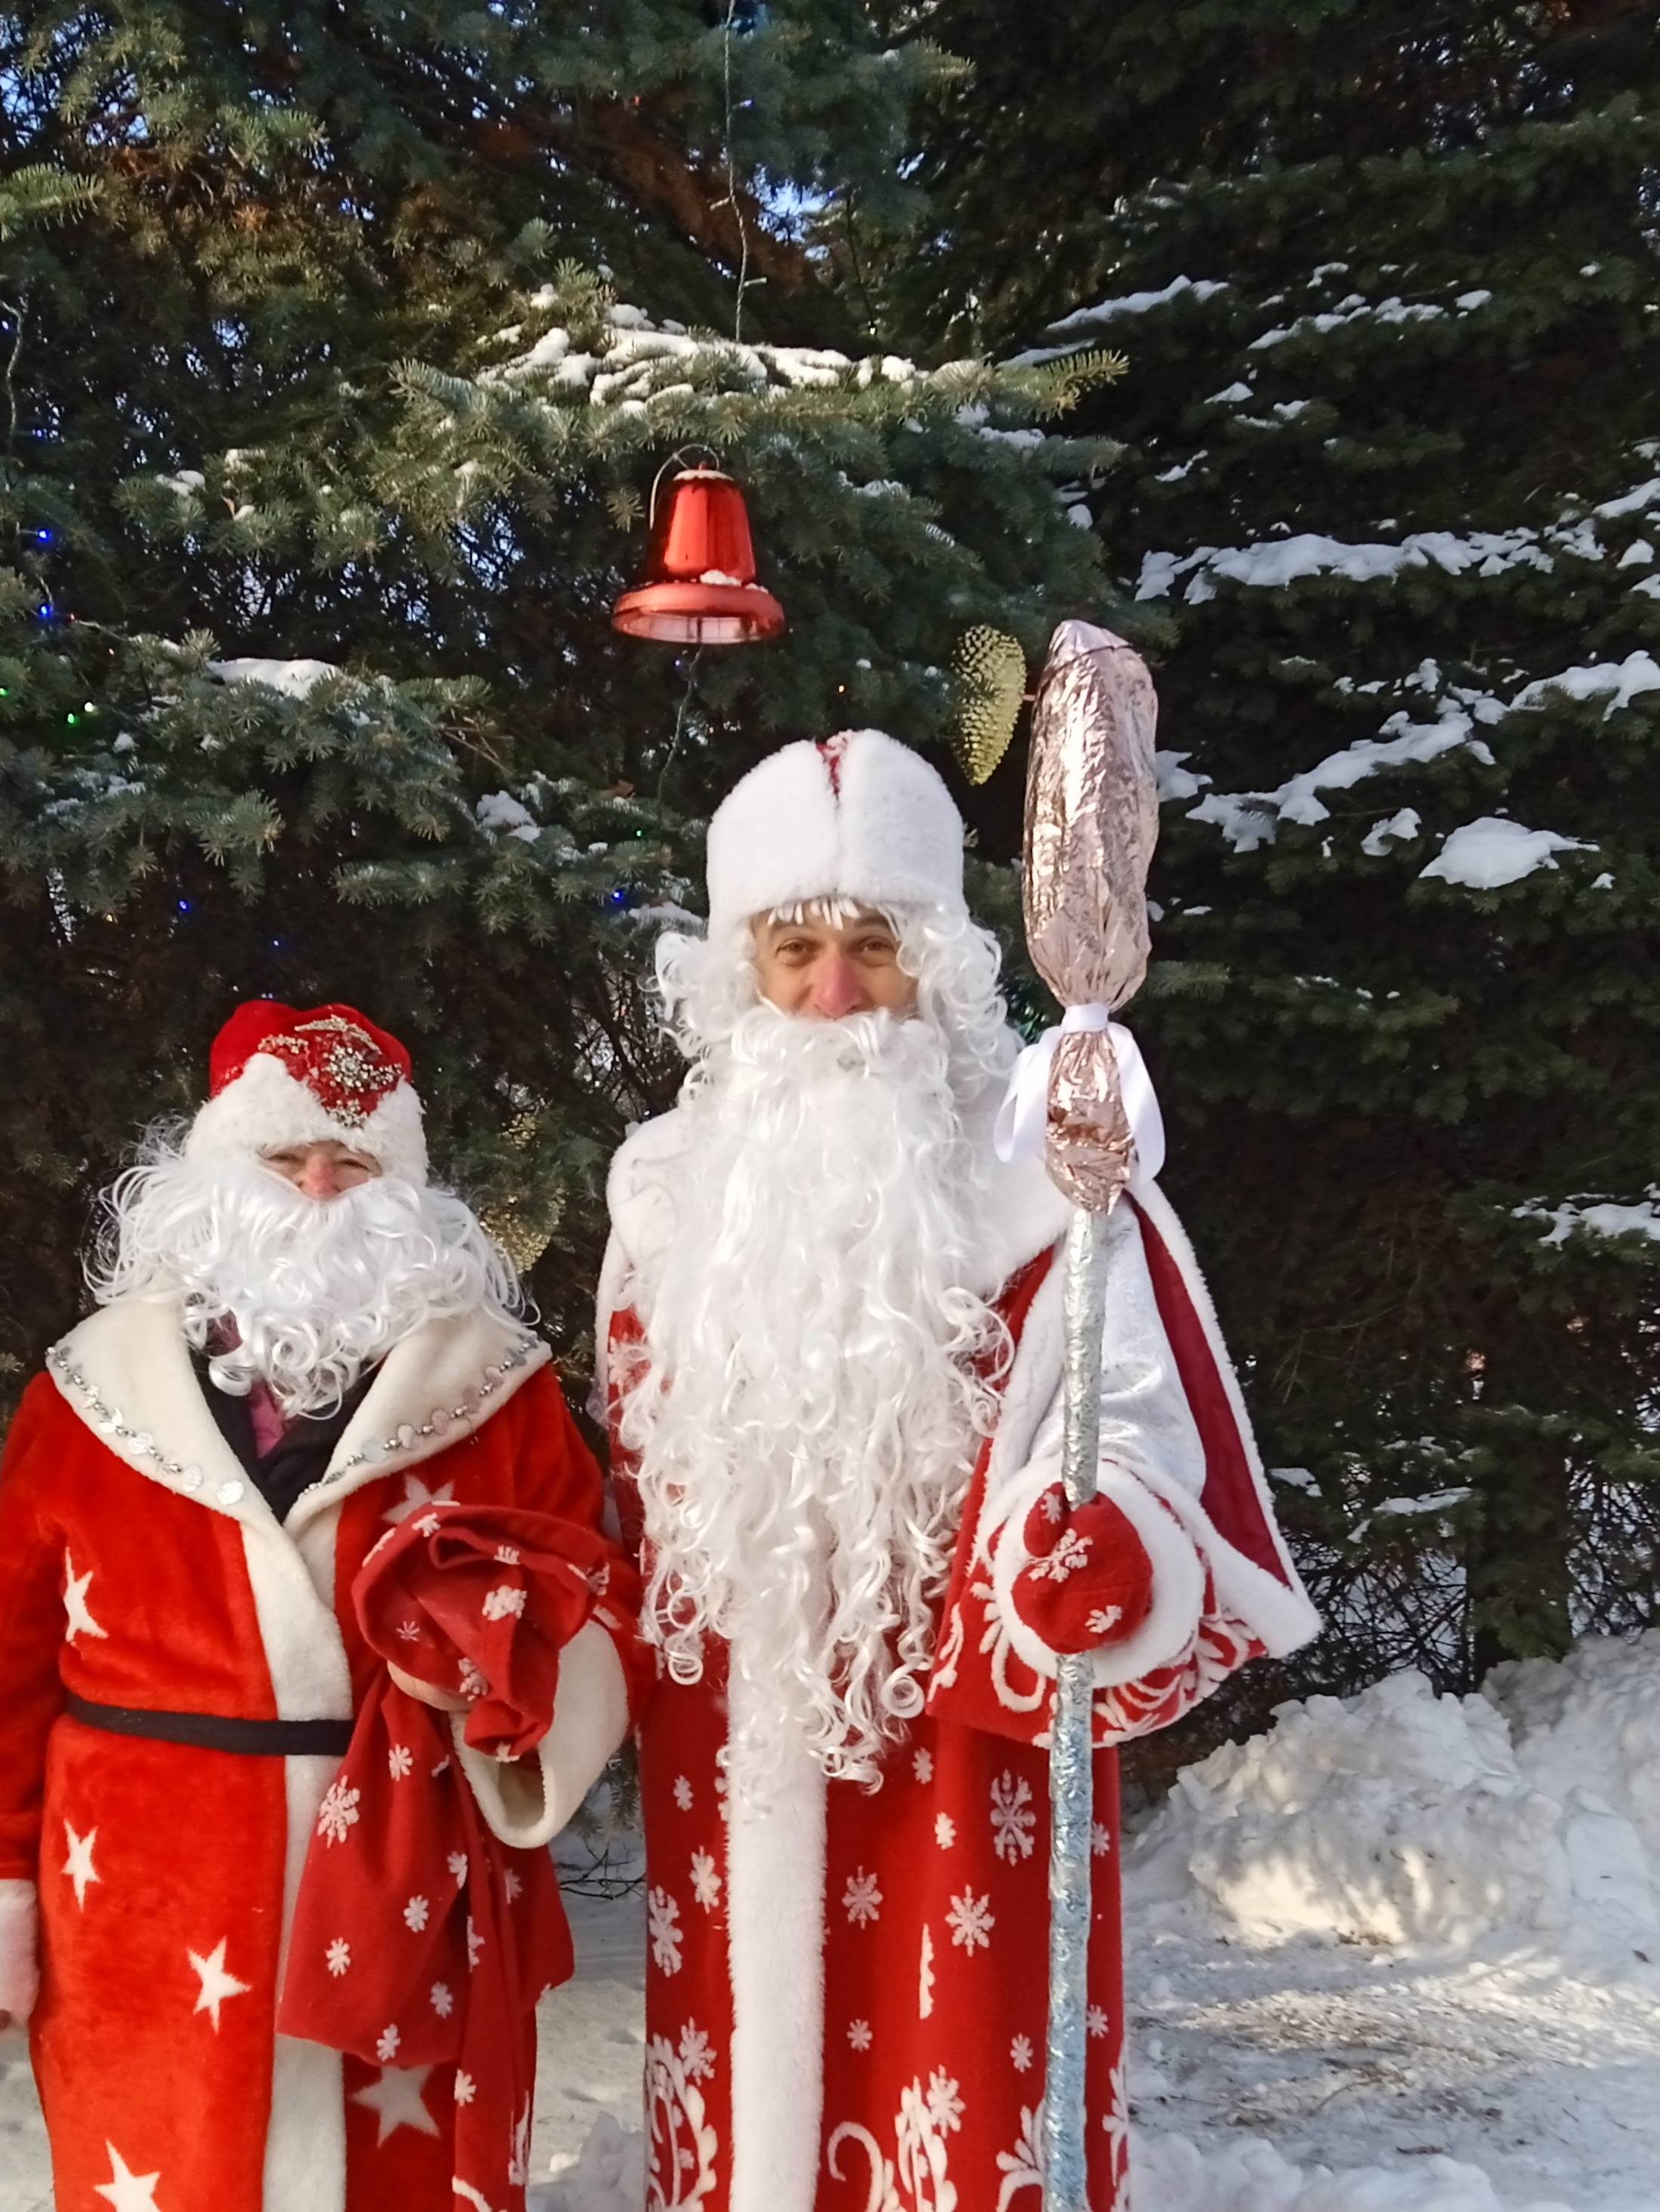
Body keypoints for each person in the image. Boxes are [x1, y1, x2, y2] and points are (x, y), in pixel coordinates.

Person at [600, 734, 1322, 2212]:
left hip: (961, 1718)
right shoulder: (663, 1189)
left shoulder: (1039, 1185)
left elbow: (1129, 1403)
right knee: (741, 2067)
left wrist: (1107, 1525)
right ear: (742, 968)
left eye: (872, 945)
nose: (833, 992)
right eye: (793, 949)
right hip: (734, 1723)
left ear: (931, 959)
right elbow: (634, 1441)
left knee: (959, 2055)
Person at [0, 1002, 626, 2212]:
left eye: (356, 1161)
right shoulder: (90, 1393)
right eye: (285, 1158)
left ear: (411, 1191)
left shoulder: (499, 1395)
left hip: (410, 1893)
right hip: (140, 1907)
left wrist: (506, 1686)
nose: (320, 1185)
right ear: (217, 1173)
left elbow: (592, 1597)